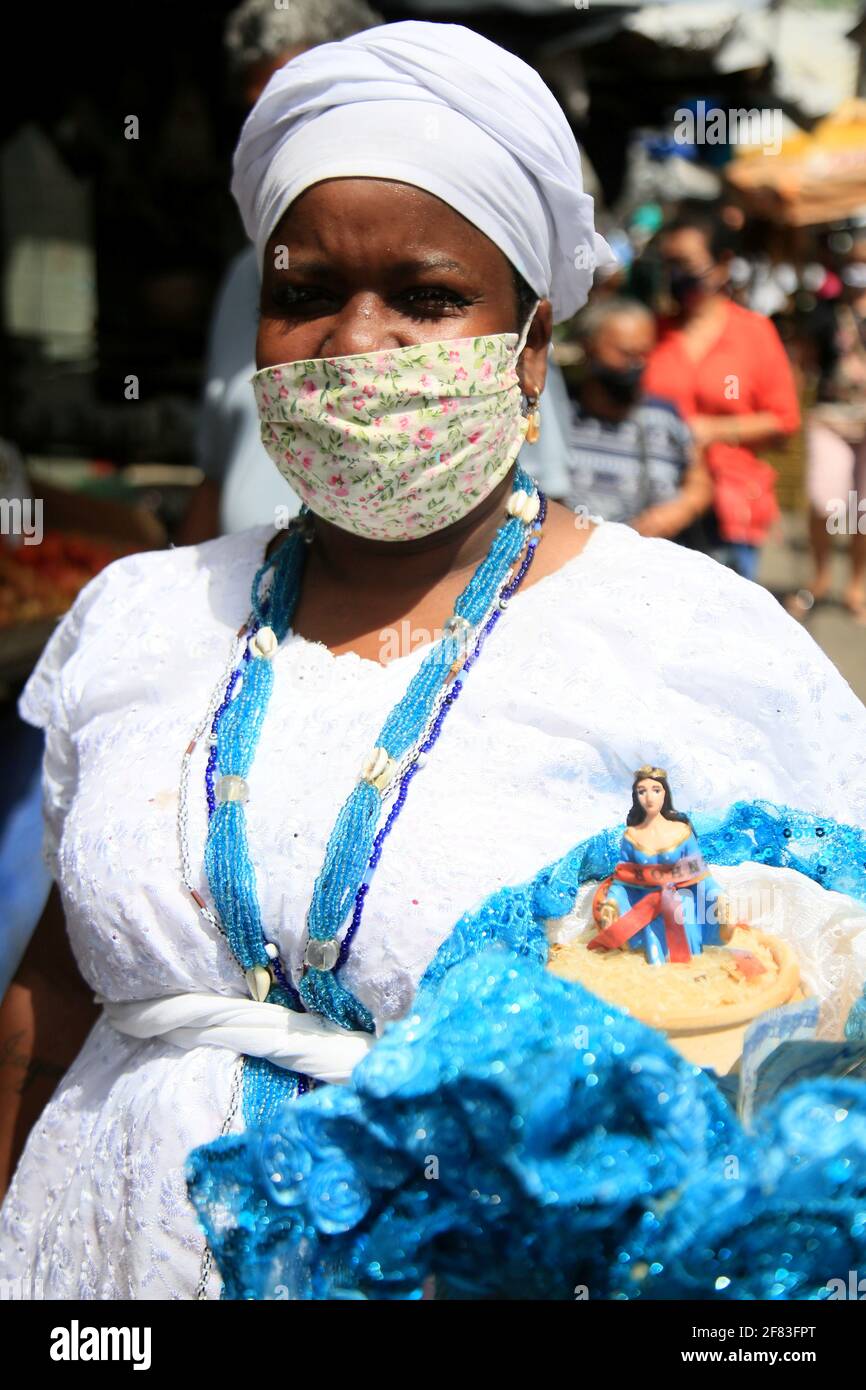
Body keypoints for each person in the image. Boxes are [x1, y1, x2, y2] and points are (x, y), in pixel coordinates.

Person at [1, 21, 865, 1303]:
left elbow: (807, 1044)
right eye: (302, 296)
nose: (355, 345)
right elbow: (54, 994)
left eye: (423, 295)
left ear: (529, 340)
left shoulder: (699, 645)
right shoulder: (138, 619)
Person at [643, 211, 801, 582]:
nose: (676, 274)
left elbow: (784, 420)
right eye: (669, 264)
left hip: (731, 506)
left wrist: (708, 429)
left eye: (686, 264)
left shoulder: (754, 333)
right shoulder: (651, 332)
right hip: (656, 506)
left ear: (723, 264)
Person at [555, 297, 713, 541]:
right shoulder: (557, 413)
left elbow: (699, 482)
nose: (637, 364)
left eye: (644, 354)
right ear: (589, 347)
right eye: (625, 353)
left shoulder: (666, 416)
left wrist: (676, 512)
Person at [788, 239, 866, 624]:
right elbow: (804, 360)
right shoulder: (825, 314)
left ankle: (857, 586)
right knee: (825, 501)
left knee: (864, 510)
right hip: (831, 416)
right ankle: (820, 578)